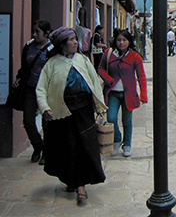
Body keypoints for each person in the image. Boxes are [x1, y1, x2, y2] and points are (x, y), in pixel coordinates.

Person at [36, 27, 107, 203]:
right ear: (61, 44)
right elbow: (41, 88)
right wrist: (45, 108)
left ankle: (81, 184)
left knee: (84, 145)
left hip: (83, 110)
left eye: (76, 39)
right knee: (68, 146)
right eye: (71, 40)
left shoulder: (82, 60)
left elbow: (94, 81)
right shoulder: (52, 64)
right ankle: (70, 179)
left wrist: (100, 107)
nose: (75, 42)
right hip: (62, 111)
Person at [98, 30, 148, 158]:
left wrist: (143, 95)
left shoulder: (135, 56)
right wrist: (108, 79)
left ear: (129, 42)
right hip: (113, 93)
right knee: (111, 118)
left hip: (128, 93)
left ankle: (127, 144)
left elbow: (141, 76)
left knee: (127, 121)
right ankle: (117, 139)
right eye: (119, 40)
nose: (121, 43)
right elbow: (100, 68)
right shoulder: (108, 54)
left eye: (124, 40)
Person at [13, 20, 53, 164]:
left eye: (38, 32)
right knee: (28, 120)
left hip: (47, 90)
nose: (34, 34)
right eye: (33, 31)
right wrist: (19, 77)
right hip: (30, 88)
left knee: (47, 121)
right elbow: (25, 65)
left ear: (47, 33)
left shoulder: (52, 49)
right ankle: (38, 145)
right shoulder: (29, 46)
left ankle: (46, 152)